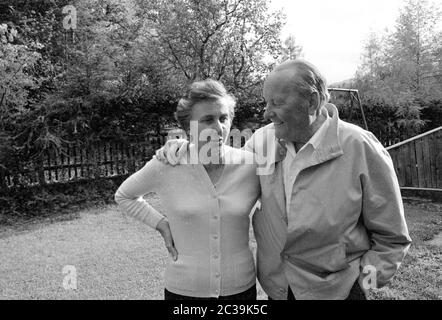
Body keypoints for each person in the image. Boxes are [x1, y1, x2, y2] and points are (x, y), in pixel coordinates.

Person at [156, 59, 412, 300]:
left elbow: (392, 239)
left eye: (276, 103)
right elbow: (224, 169)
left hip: (338, 292)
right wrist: (185, 145)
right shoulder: (263, 140)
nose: (267, 113)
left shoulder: (359, 146)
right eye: (266, 102)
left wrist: (361, 288)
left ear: (311, 102)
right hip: (278, 288)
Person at [115, 79, 260, 300]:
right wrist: (161, 224)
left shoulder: (251, 165)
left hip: (240, 289)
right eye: (207, 120)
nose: (219, 127)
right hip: (184, 290)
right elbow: (124, 196)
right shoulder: (168, 163)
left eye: (223, 118)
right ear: (187, 128)